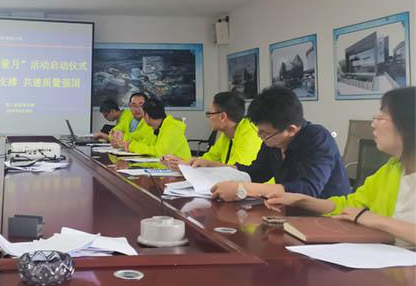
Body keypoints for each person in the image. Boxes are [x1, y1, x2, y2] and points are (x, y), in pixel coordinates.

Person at [265, 87, 416, 245]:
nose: (373, 124)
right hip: (386, 256)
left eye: (381, 118)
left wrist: (374, 219)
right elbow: (349, 205)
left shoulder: (316, 136)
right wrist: (303, 201)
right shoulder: (392, 170)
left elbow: (362, 215)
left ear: (409, 124)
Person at [208, 86, 351, 201]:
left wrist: (243, 189)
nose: (260, 136)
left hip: (329, 218)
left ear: (290, 130)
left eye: (265, 133)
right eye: (259, 131)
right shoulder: (274, 141)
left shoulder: (317, 138)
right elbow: (256, 172)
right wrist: (215, 167)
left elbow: (308, 189)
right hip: (290, 212)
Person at [164, 91, 261, 168]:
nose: (209, 118)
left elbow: (238, 173)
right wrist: (182, 162)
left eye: (210, 114)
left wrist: (203, 164)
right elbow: (209, 159)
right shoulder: (227, 135)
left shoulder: (250, 136)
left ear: (222, 117)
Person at [122, 98, 191, 159]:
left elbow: (159, 152)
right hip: (163, 166)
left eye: (143, 115)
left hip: (180, 168)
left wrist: (132, 146)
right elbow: (147, 143)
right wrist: (128, 143)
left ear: (147, 115)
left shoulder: (172, 128)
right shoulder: (156, 128)